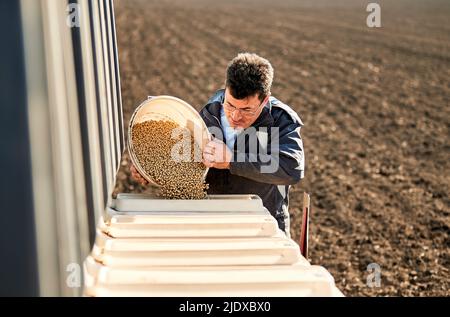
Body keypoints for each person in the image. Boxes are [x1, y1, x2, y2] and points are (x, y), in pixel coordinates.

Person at [131, 52, 305, 236]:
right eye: (230, 105)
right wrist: (149, 169)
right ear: (225, 90)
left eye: (247, 110)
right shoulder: (210, 112)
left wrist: (232, 160)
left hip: (262, 225)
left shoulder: (280, 120)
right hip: (214, 222)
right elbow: (188, 160)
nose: (235, 116)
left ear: (265, 100)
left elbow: (291, 168)